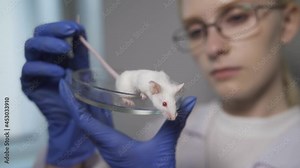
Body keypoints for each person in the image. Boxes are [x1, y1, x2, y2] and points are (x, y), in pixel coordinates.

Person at [21, 0, 300, 167]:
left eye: (237, 17)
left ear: (287, 21)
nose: (213, 47)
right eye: (195, 30)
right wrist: (70, 157)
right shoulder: (158, 129)